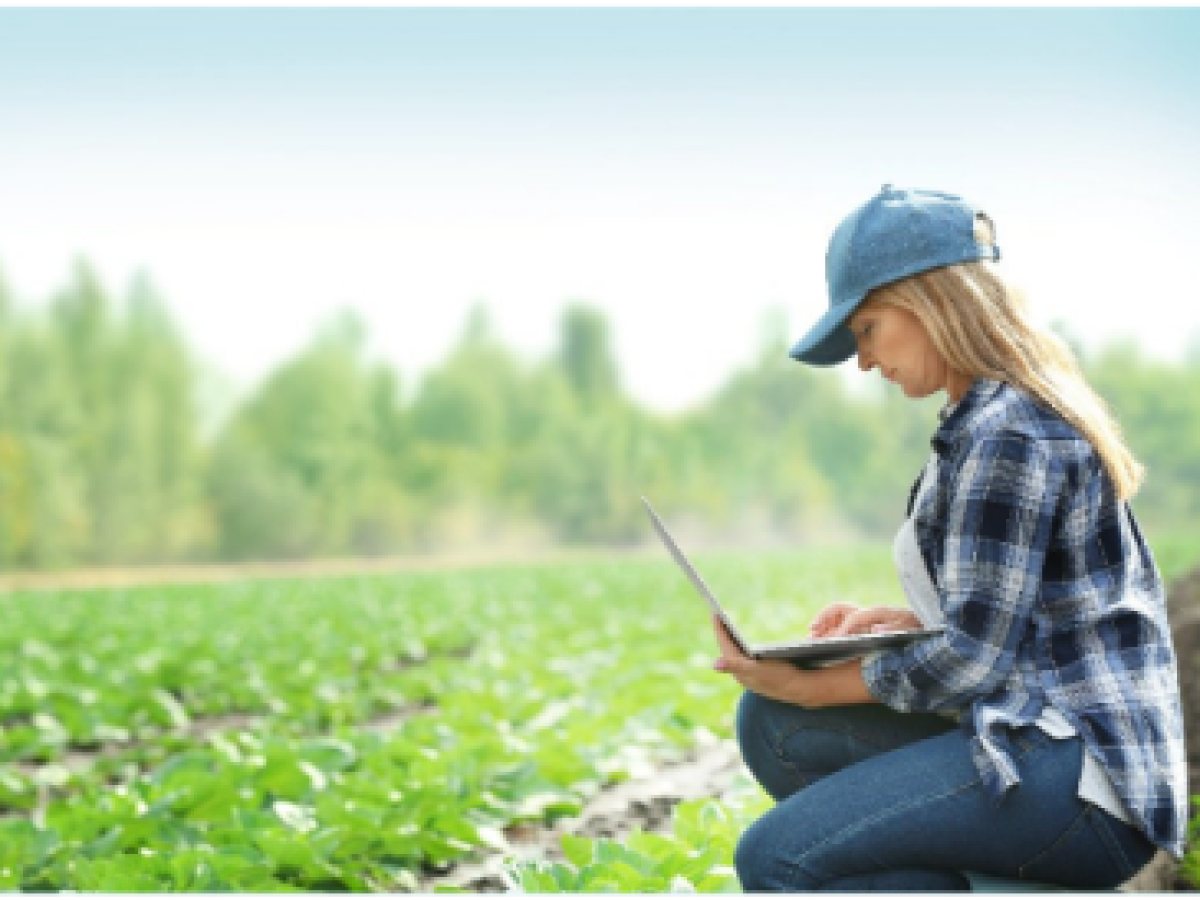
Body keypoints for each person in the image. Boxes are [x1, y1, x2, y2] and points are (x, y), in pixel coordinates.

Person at [710, 185, 1187, 891]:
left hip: (1081, 774)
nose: (864, 361)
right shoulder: (980, 423)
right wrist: (907, 627)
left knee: (774, 857)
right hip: (1034, 732)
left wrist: (823, 688)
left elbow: (973, 660)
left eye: (867, 329)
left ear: (930, 300)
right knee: (772, 722)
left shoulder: (1009, 433)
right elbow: (1009, 620)